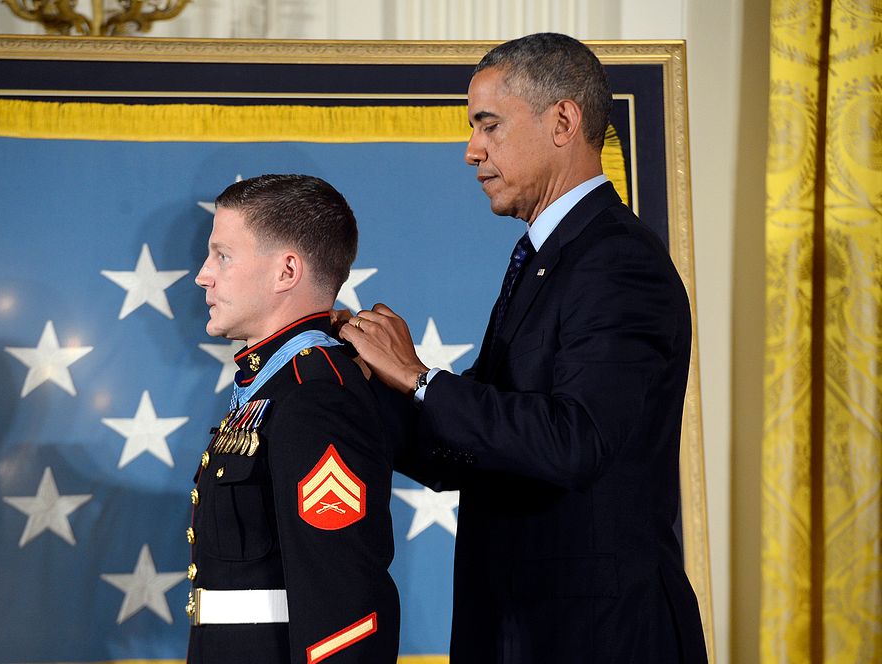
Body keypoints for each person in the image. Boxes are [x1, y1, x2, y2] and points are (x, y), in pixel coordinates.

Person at [338, 33, 708, 663]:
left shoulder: (617, 261)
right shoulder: (549, 259)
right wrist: (351, 377)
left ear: (563, 120)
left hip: (597, 640)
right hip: (521, 629)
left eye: (489, 125)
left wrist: (420, 379)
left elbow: (574, 442)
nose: (471, 150)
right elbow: (469, 450)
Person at [189, 174, 399, 663]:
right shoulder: (272, 387)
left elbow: (343, 607)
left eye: (223, 255)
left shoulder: (315, 397)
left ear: (286, 271)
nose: (203, 274)